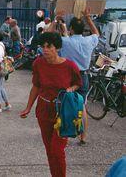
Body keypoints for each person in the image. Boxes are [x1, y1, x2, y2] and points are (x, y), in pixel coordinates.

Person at [20, 32, 82, 177]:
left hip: (63, 112)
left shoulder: (70, 66)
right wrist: (28, 107)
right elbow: (36, 86)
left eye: (49, 47)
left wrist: (70, 89)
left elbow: (78, 83)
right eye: (43, 46)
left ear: (58, 48)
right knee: (49, 150)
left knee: (57, 150)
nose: (45, 50)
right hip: (44, 110)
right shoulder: (38, 64)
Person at [49, 8, 99, 145]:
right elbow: (96, 33)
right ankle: (83, 137)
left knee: (64, 103)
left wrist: (55, 19)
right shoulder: (89, 41)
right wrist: (87, 17)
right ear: (83, 29)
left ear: (70, 28)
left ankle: (64, 131)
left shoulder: (65, 41)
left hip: (67, 76)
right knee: (81, 106)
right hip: (83, 76)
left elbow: (47, 35)